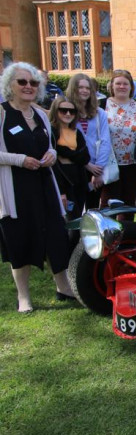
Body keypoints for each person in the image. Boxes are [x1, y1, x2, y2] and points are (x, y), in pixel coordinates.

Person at [0, 62, 75, 312]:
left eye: (33, 83)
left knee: (55, 235)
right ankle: (24, 297)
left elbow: (51, 144)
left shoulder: (41, 114)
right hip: (15, 188)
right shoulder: (2, 113)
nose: (28, 87)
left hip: (43, 183)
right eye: (22, 82)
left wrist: (52, 154)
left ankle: (63, 287)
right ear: (10, 85)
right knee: (19, 240)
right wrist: (19, 160)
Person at [102, 70, 136, 214]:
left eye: (125, 83)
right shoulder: (102, 105)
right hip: (109, 164)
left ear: (131, 87)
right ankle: (107, 234)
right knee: (108, 204)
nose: (122, 86)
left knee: (129, 205)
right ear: (112, 86)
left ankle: (127, 235)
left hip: (133, 164)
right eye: (118, 83)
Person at [65, 73, 110, 211]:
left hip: (96, 169)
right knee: (74, 211)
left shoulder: (99, 113)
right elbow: (65, 143)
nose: (84, 91)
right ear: (73, 89)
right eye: (80, 87)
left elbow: (105, 140)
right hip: (74, 168)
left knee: (93, 209)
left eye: (87, 88)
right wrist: (87, 164)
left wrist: (98, 169)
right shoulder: (66, 111)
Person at [48, 96, 90, 225]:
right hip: (62, 179)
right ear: (55, 110)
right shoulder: (51, 131)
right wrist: (72, 154)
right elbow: (53, 158)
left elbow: (85, 157)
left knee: (78, 220)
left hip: (79, 178)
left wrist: (63, 152)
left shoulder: (76, 132)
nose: (68, 114)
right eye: (63, 110)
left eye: (72, 111)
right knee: (69, 221)